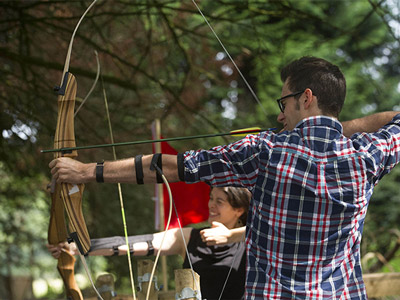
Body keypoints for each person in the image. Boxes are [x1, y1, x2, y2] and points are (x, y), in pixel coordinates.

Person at [50, 56, 400, 299]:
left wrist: (86, 172)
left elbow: (170, 167)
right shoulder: (366, 157)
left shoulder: (266, 151)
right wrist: (337, 131)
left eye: (284, 104)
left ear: (306, 98)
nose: (280, 117)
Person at [48, 186, 249, 300]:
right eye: (211, 198)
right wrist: (80, 245)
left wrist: (232, 237)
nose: (211, 205)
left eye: (219, 201)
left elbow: (278, 231)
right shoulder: (189, 237)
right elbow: (138, 243)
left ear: (239, 210)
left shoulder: (255, 241)